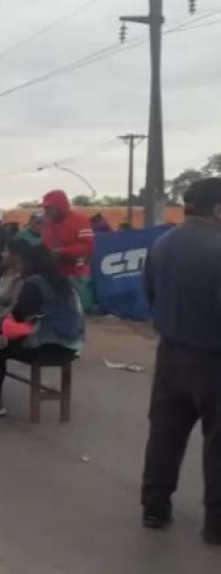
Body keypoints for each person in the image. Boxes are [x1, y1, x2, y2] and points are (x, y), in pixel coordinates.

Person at [139, 177, 221, 544]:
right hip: (214, 358)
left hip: (170, 353)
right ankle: (216, 524)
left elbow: (150, 293)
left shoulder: (161, 244)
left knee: (165, 433)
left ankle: (154, 507)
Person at [0, 238, 84, 417]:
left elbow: (19, 314)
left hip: (47, 345)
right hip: (73, 346)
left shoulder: (35, 283)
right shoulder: (67, 284)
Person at [40, 190, 95, 310]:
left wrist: (63, 251)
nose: (46, 210)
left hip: (75, 272)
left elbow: (87, 247)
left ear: (60, 206)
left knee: (73, 307)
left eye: (49, 207)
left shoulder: (80, 220)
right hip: (53, 272)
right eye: (45, 207)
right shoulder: (47, 223)